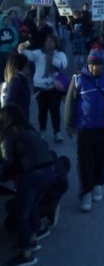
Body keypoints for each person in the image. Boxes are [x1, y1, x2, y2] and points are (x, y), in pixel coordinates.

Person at [64, 49, 104, 212]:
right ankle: (85, 193)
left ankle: (98, 184)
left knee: (100, 156)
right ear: (88, 65)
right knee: (84, 161)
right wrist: (69, 124)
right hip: (84, 128)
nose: (97, 69)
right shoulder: (78, 79)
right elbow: (70, 103)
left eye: (100, 65)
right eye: (94, 65)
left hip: (102, 126)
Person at [0, 104, 56, 266]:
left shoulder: (10, 133)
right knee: (31, 207)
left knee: (21, 213)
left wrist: (3, 176)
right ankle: (32, 240)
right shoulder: (29, 130)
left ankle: (27, 255)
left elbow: (7, 160)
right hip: (49, 171)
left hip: (34, 175)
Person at [18, 34, 68, 143]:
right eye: (47, 41)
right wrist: (23, 46)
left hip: (54, 87)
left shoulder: (60, 54)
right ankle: (42, 131)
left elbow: (62, 65)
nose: (48, 43)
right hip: (39, 86)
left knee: (55, 110)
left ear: (55, 43)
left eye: (51, 41)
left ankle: (57, 133)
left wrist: (52, 60)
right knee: (42, 110)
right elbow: (25, 53)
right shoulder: (38, 53)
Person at [2, 54, 31, 120]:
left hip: (21, 118)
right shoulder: (16, 81)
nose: (28, 71)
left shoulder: (21, 79)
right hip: (17, 120)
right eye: (26, 66)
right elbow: (9, 101)